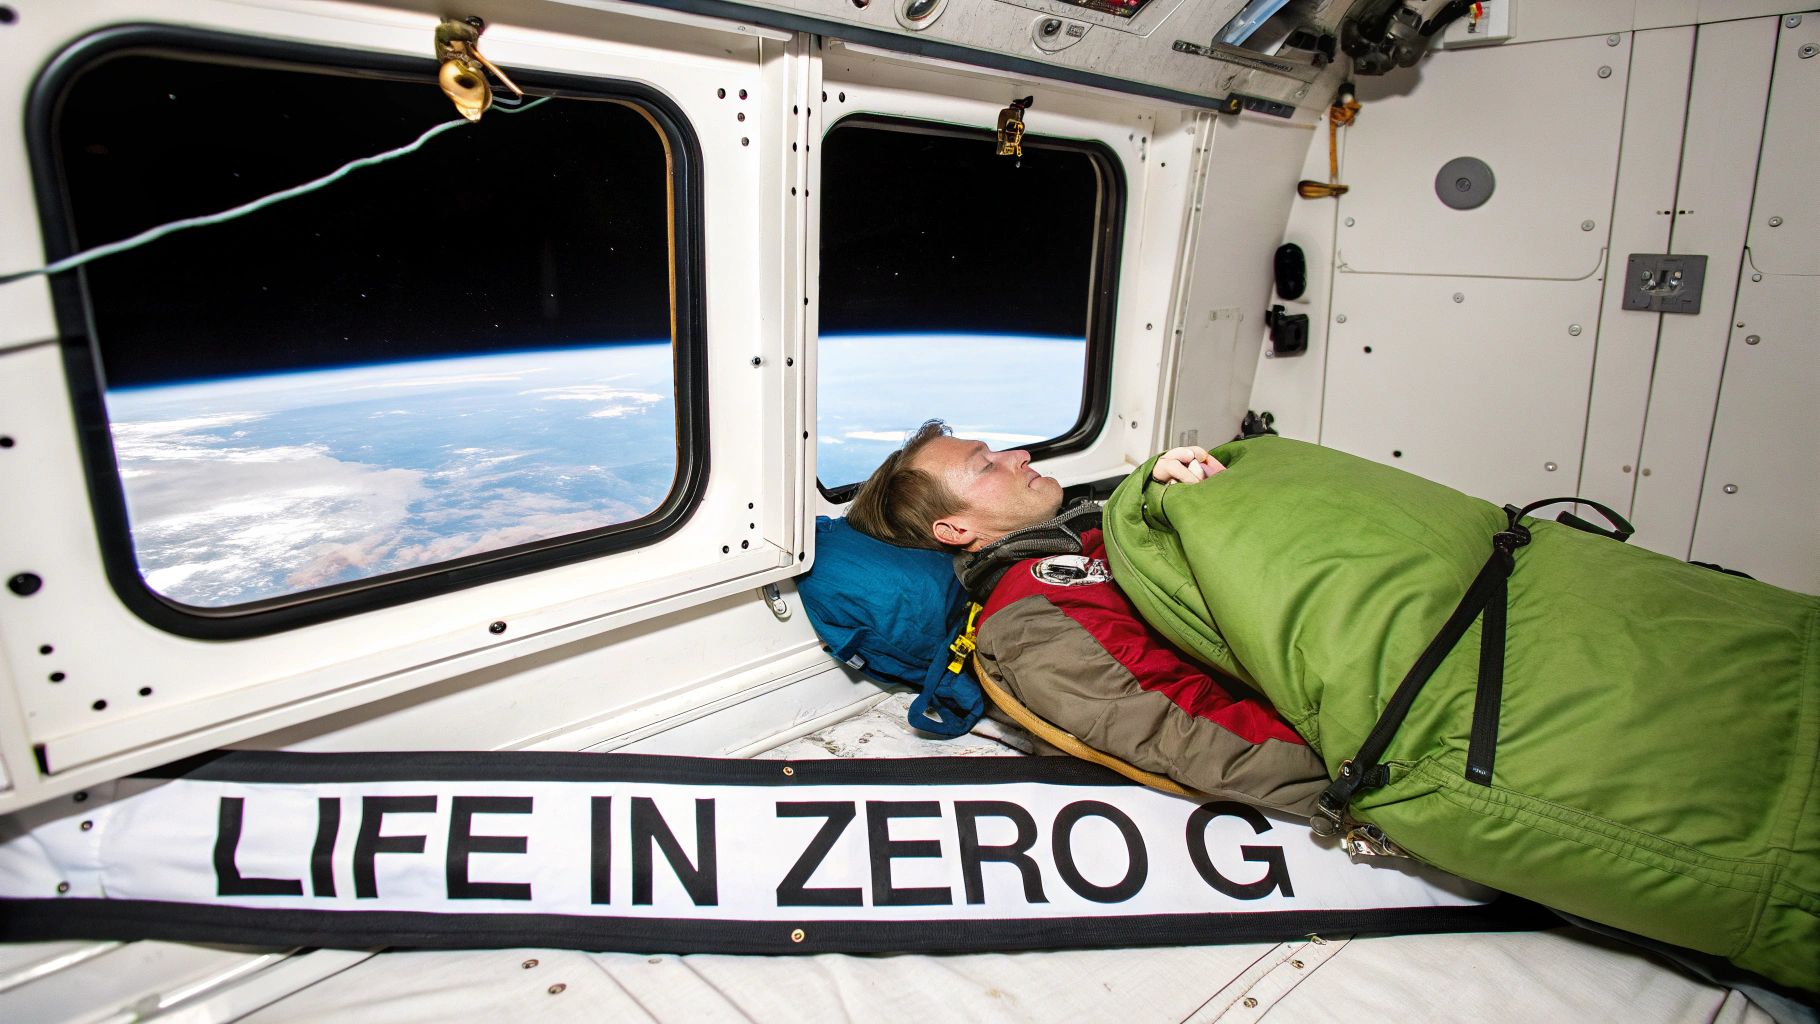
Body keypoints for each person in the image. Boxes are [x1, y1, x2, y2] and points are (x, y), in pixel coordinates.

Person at [844, 419, 1221, 553]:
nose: (1021, 454)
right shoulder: (1032, 616)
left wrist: (1172, 501)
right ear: (956, 530)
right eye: (986, 466)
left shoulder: (1083, 543)